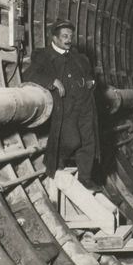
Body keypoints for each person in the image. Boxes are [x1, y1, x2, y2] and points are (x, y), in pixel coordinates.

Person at [22, 22, 100, 186]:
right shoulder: (43, 55)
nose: (69, 39)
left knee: (88, 141)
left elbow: (89, 74)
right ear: (55, 37)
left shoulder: (79, 57)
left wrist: (91, 81)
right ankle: (56, 162)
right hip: (66, 107)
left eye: (71, 36)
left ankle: (85, 178)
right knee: (71, 141)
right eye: (65, 36)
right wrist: (52, 81)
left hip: (84, 103)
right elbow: (29, 75)